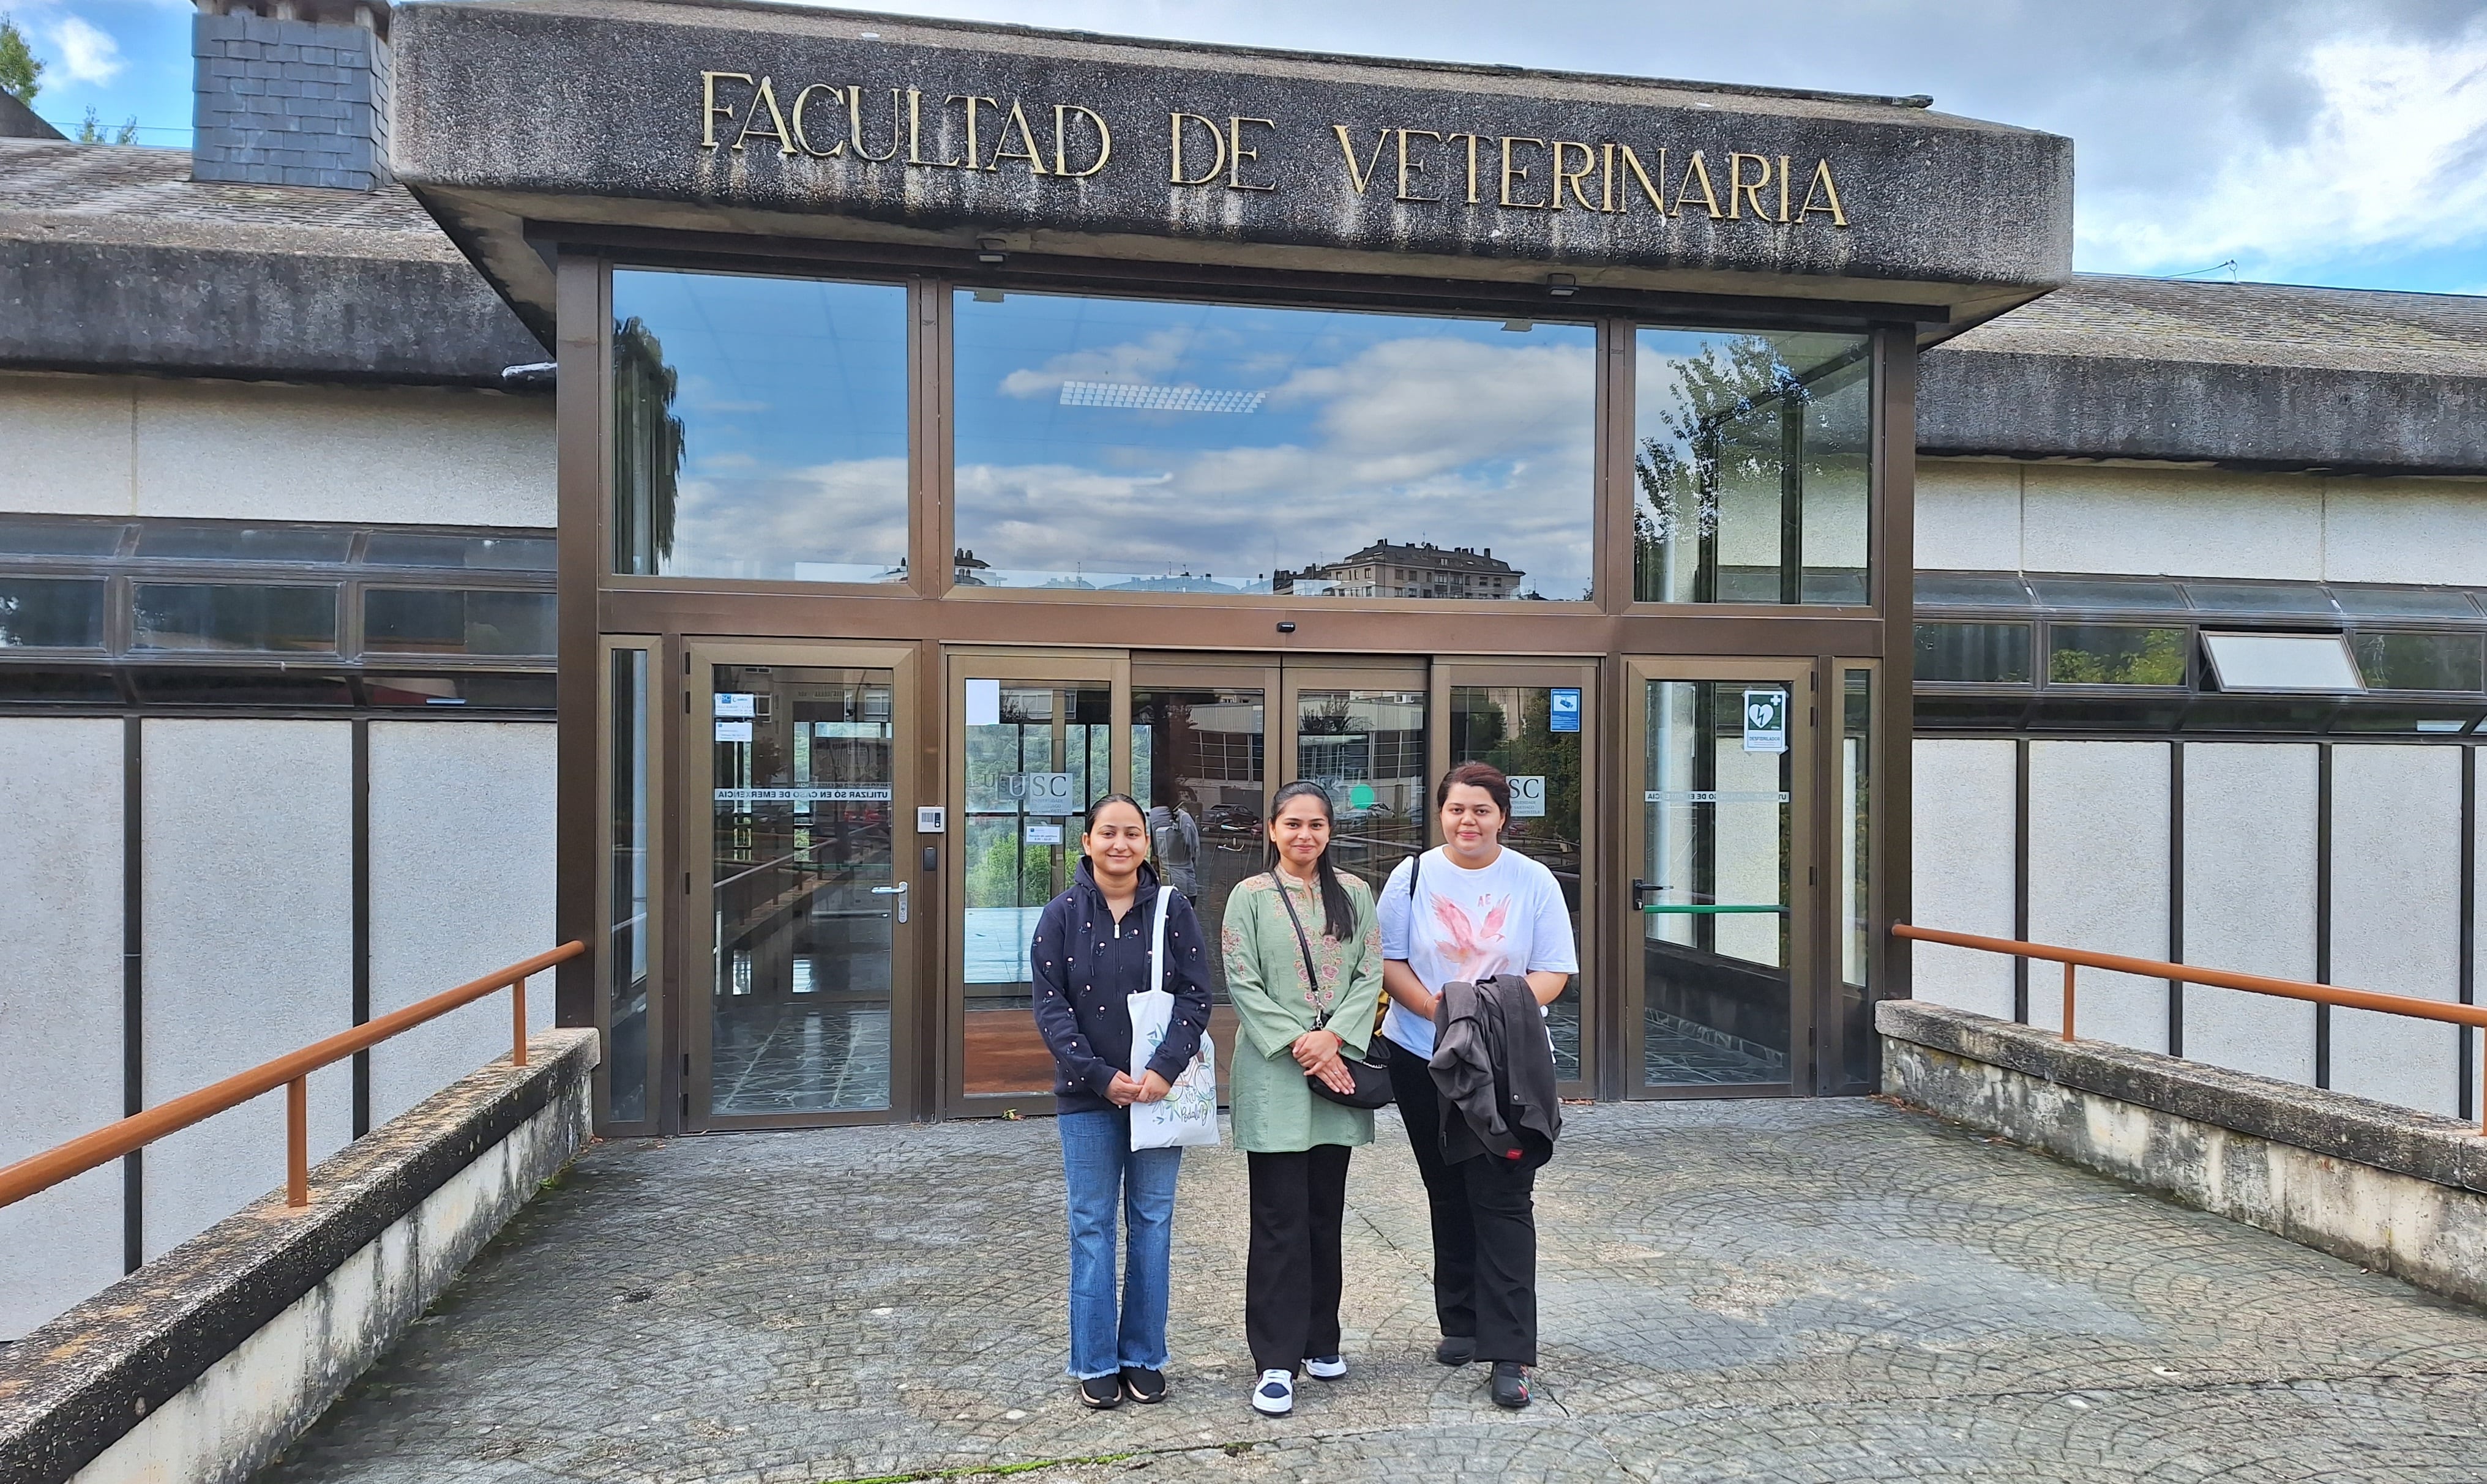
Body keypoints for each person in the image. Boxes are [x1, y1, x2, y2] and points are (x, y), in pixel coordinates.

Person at [1375, 761, 1579, 1410]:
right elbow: (1390, 961)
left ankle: (1511, 1349)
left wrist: (1485, 1014)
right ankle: (1459, 1319)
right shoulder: (1410, 877)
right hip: (1421, 1054)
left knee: (1504, 1194)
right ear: (1441, 813)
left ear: (1502, 817)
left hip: (1509, 1061)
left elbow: (1553, 971)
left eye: (1482, 810)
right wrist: (1443, 1013)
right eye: (1457, 809)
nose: (1469, 821)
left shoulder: (1532, 879)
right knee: (1446, 1185)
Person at [1030, 793, 1214, 1409]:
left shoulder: (1172, 910)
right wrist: (1098, 1075)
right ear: (1087, 842)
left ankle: (1143, 1353)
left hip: (1159, 1098)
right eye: (1107, 833)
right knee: (1090, 1226)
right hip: (1087, 1098)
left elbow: (1196, 995)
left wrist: (1164, 1070)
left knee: (1152, 1225)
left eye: (1131, 833)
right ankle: (1095, 1358)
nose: (1119, 844)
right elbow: (1050, 1010)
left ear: (1146, 843)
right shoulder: (1058, 916)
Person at [1221, 781, 1385, 1418]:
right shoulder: (1249, 897)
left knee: (1325, 1213)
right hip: (1275, 1076)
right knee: (1278, 1221)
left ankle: (1323, 1339)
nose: (1304, 835)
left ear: (1328, 831)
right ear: (1271, 829)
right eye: (1292, 823)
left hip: (1335, 1073)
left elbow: (1369, 974)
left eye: (1316, 824)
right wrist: (1302, 1043)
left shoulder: (1356, 894)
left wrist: (1334, 1039)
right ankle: (1274, 1361)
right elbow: (1241, 979)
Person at [1148, 788, 1202, 901]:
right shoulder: (1185, 818)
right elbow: (1194, 852)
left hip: (1161, 884)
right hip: (1187, 885)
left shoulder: (1150, 817)